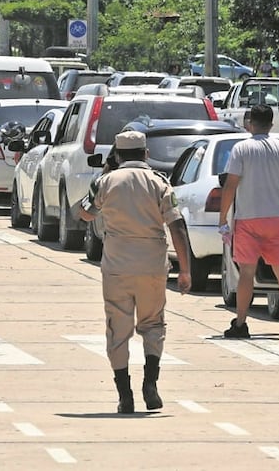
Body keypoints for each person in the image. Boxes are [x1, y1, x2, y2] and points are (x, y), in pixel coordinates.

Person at [78, 130, 193, 414]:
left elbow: (83, 213)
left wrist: (103, 174)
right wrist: (186, 270)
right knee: (153, 325)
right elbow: (177, 226)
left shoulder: (106, 181)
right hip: (152, 266)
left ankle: (124, 395)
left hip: (117, 267)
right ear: (145, 154)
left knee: (118, 330)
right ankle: (150, 384)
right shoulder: (159, 182)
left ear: (117, 155)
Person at [219, 104, 279, 340]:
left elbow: (231, 184)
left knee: (247, 272)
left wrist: (222, 217)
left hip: (248, 219)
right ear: (271, 124)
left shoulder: (241, 149)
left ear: (250, 124)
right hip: (277, 218)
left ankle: (240, 323)